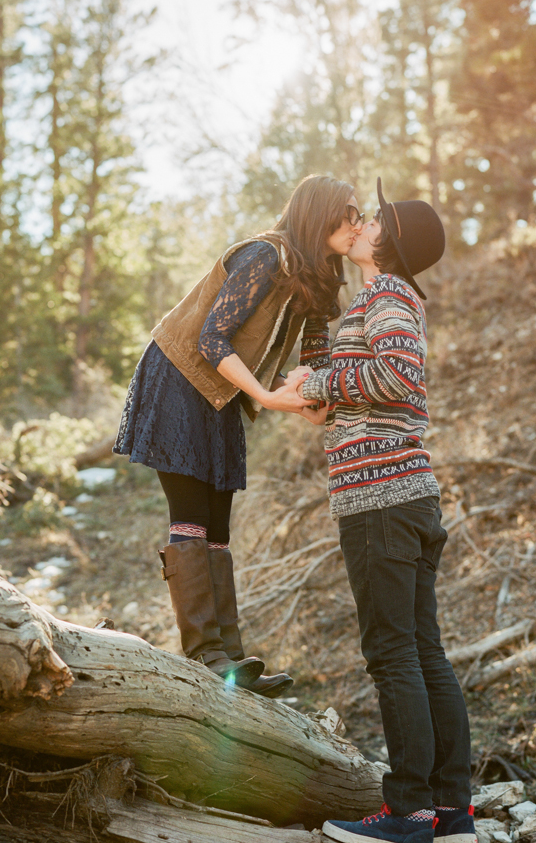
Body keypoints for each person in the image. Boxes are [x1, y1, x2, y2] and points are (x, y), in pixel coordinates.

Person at [114, 175, 361, 698]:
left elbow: (313, 353)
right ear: (320, 215)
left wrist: (313, 400)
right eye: (349, 212)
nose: (357, 222)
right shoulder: (265, 257)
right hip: (180, 377)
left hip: (221, 389)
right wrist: (269, 398)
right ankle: (204, 653)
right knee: (192, 518)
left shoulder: (317, 275)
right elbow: (210, 337)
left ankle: (231, 658)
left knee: (219, 525)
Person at [294, 178, 476, 843]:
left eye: (372, 220)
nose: (362, 222)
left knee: (393, 652)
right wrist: (321, 365)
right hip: (409, 497)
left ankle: (406, 814)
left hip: (381, 503)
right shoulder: (381, 300)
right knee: (424, 650)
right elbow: (358, 382)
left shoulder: (387, 297)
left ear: (385, 243)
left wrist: (315, 385)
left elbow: (395, 374)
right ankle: (451, 812)